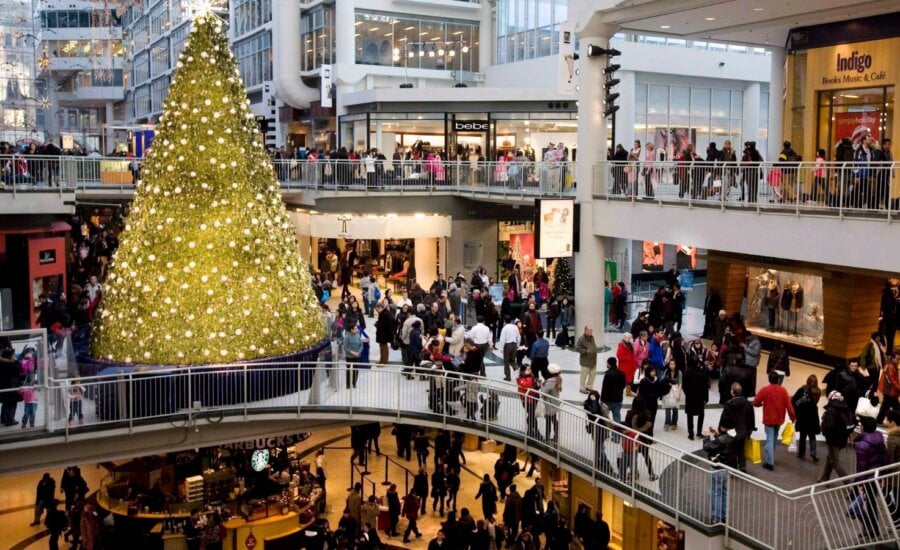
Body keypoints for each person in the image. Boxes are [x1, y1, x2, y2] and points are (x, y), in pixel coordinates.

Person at [752, 371, 796, 471]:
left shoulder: (765, 390)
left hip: (769, 418)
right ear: (778, 379)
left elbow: (755, 402)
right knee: (774, 438)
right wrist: (793, 417)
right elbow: (789, 406)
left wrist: (761, 404)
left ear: (769, 379)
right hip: (779, 419)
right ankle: (771, 455)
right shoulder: (783, 391)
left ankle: (769, 462)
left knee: (770, 439)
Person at [853, 416, 888, 540]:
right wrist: (883, 475)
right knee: (871, 503)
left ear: (863, 427)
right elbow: (884, 458)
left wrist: (860, 483)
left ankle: (871, 529)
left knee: (858, 502)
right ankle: (871, 529)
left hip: (867, 477)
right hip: (876, 475)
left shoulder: (861, 445)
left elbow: (861, 466)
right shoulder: (879, 438)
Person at [817, 391, 855, 482]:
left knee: (835, 462)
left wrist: (825, 431)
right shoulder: (846, 408)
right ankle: (825, 477)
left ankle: (849, 483)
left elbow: (829, 426)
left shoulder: (831, 410)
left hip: (833, 440)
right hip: (843, 439)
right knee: (830, 457)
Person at [702, 427, 738, 524]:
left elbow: (708, 447)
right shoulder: (735, 435)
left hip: (718, 468)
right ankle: (723, 516)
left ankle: (716, 517)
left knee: (715, 492)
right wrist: (718, 435)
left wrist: (707, 437)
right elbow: (724, 443)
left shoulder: (722, 440)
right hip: (728, 468)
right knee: (724, 492)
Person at [718, 382, 755, 472]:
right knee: (741, 448)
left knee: (732, 449)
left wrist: (721, 429)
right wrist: (750, 430)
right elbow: (751, 418)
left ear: (732, 392)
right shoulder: (747, 404)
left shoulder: (729, 404)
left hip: (732, 431)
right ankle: (742, 466)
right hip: (743, 430)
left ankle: (733, 468)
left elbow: (724, 419)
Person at [791, 375, 822, 462]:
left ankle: (802, 454)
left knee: (803, 435)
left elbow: (794, 400)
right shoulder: (818, 391)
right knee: (812, 435)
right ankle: (813, 452)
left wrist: (798, 406)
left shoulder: (803, 389)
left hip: (803, 414)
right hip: (813, 415)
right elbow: (815, 402)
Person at [682, 356, 710, 440]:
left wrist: (687, 393)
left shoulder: (686, 372)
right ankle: (699, 432)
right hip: (700, 397)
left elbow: (684, 386)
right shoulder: (702, 373)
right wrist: (706, 398)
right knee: (701, 414)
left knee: (689, 415)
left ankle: (691, 434)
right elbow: (705, 387)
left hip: (690, 396)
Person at [600, 357, 626, 424]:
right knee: (617, 417)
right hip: (618, 399)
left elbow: (605, 388)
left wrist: (602, 400)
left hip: (608, 401)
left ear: (609, 364)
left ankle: (606, 429)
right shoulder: (621, 373)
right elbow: (623, 385)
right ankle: (617, 430)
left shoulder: (608, 374)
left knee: (604, 416)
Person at [575, 326, 600, 393]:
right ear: (585, 331)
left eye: (591, 330)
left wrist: (595, 349)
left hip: (593, 360)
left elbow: (593, 346)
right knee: (584, 376)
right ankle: (582, 388)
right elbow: (577, 348)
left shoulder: (592, 337)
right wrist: (586, 351)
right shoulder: (581, 339)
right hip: (585, 361)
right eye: (590, 330)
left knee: (593, 374)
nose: (591, 332)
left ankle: (589, 386)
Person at [541, 364, 562, 441]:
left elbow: (543, 393)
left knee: (548, 421)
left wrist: (541, 387)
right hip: (555, 403)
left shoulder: (550, 382)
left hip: (549, 404)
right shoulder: (558, 379)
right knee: (554, 420)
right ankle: (556, 436)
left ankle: (547, 437)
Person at [498, 316, 522, 382]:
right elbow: (519, 337)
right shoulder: (515, 327)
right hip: (514, 345)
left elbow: (502, 339)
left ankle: (508, 377)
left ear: (505, 321)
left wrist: (501, 349)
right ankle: (518, 373)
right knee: (513, 361)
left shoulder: (504, 328)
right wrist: (517, 345)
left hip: (507, 346)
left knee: (506, 362)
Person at [877, 356, 900, 423]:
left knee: (886, 407)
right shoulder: (890, 366)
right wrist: (898, 387)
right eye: (897, 359)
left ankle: (879, 420)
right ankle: (880, 420)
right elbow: (891, 380)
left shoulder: (891, 365)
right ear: (893, 358)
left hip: (889, 391)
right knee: (894, 407)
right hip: (890, 391)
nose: (898, 360)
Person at [661, 359, 682, 431]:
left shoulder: (679, 372)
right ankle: (667, 423)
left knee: (675, 408)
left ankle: (674, 423)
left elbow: (680, 383)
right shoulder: (666, 371)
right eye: (670, 364)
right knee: (667, 407)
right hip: (668, 389)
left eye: (673, 364)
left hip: (676, 389)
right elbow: (662, 380)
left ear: (675, 365)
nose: (672, 365)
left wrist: (679, 393)